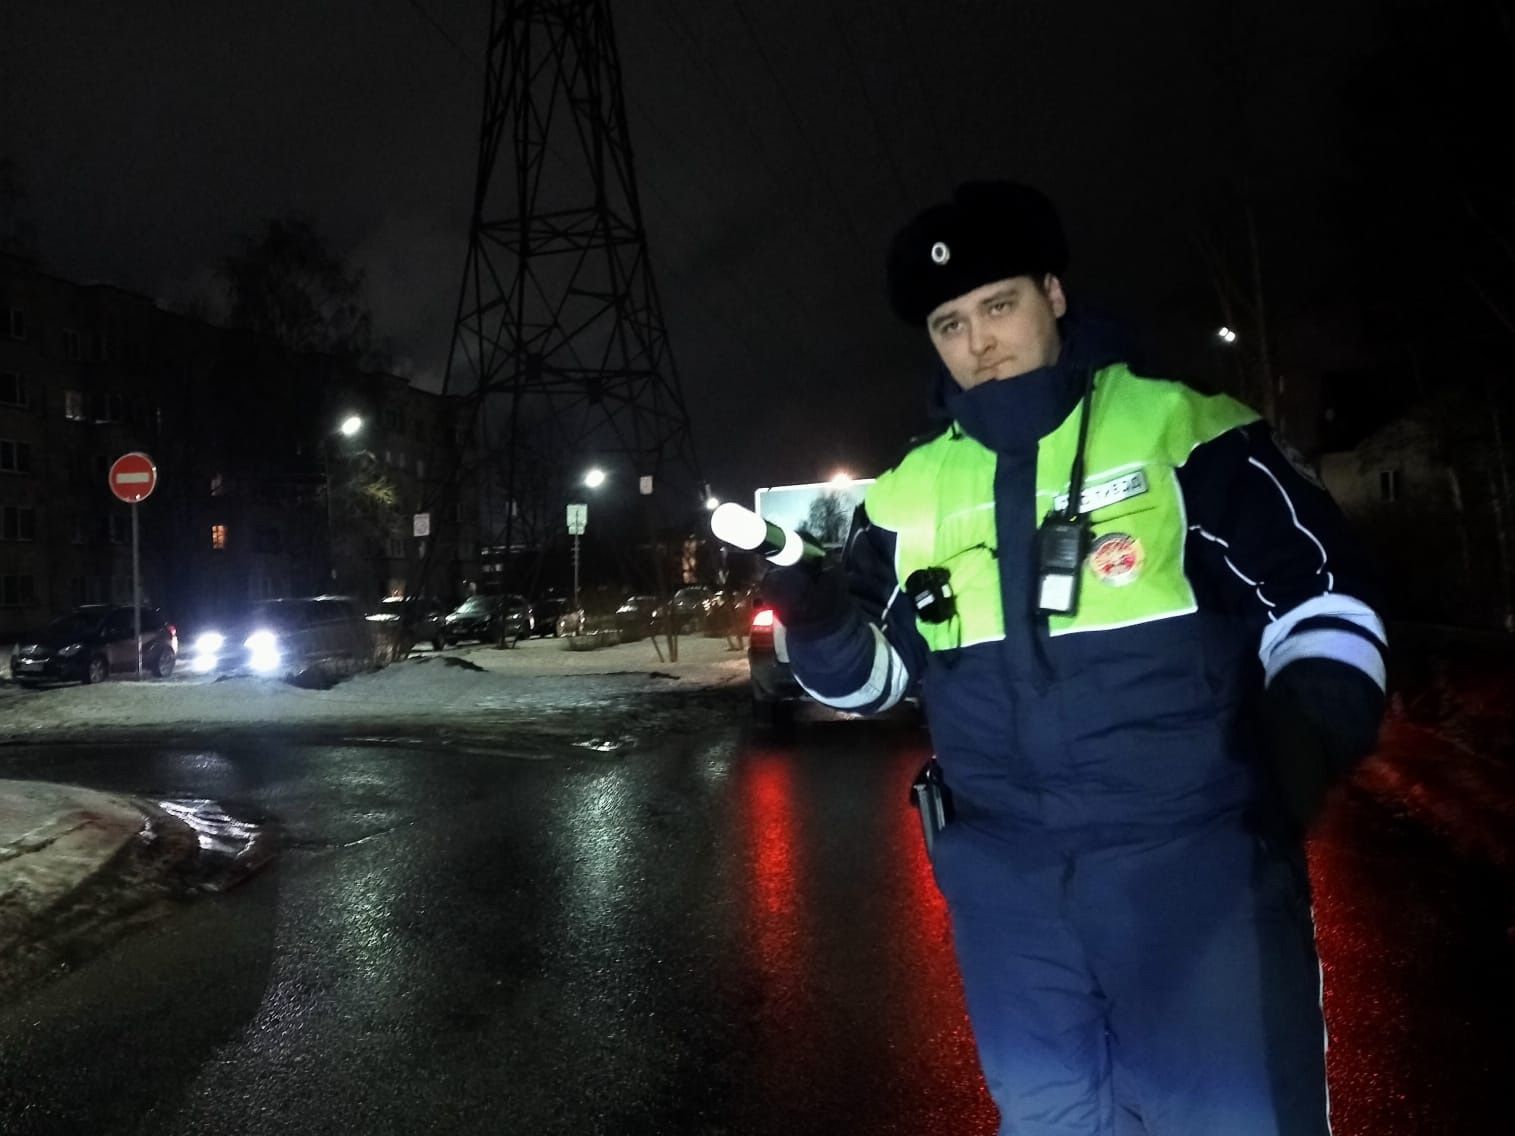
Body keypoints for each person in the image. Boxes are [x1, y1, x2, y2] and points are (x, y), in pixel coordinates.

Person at [762, 181, 1386, 1135]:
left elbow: (1321, 599)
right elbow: (875, 680)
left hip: (1191, 871)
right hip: (1005, 890)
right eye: (949, 324)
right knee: (1051, 1120)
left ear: (1052, 295)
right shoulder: (905, 492)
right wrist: (815, 620)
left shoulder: (1187, 432)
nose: (978, 342)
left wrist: (1307, 737)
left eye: (998, 305)